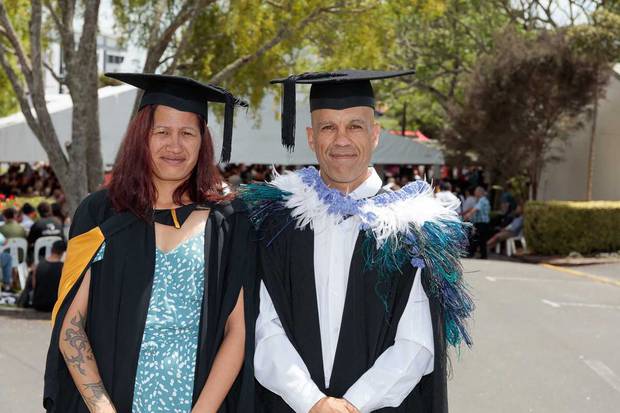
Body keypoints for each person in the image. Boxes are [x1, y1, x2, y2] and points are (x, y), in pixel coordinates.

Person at [243, 70, 473, 413]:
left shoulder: (411, 230)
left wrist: (353, 405)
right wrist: (312, 402)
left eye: (355, 126)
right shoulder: (278, 224)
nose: (341, 140)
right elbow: (265, 324)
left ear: (375, 134)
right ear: (310, 136)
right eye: (328, 127)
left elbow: (417, 342)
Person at [43, 73, 256, 413]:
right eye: (162, 132)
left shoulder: (228, 220)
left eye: (188, 133)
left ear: (203, 142)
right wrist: (102, 408)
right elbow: (71, 322)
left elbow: (238, 329)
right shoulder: (101, 213)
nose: (175, 145)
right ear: (142, 137)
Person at [32, 240, 66, 312]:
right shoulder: (63, 267)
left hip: (38, 304)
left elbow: (34, 285)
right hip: (54, 306)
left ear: (51, 249)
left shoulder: (38, 265)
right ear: (63, 253)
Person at [464, 186, 491, 259]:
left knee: (477, 238)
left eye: (476, 191)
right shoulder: (480, 200)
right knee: (480, 239)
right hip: (481, 223)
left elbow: (476, 209)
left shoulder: (482, 200)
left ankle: (474, 254)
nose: (475, 193)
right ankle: (482, 255)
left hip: (482, 223)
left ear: (479, 192)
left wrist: (468, 215)